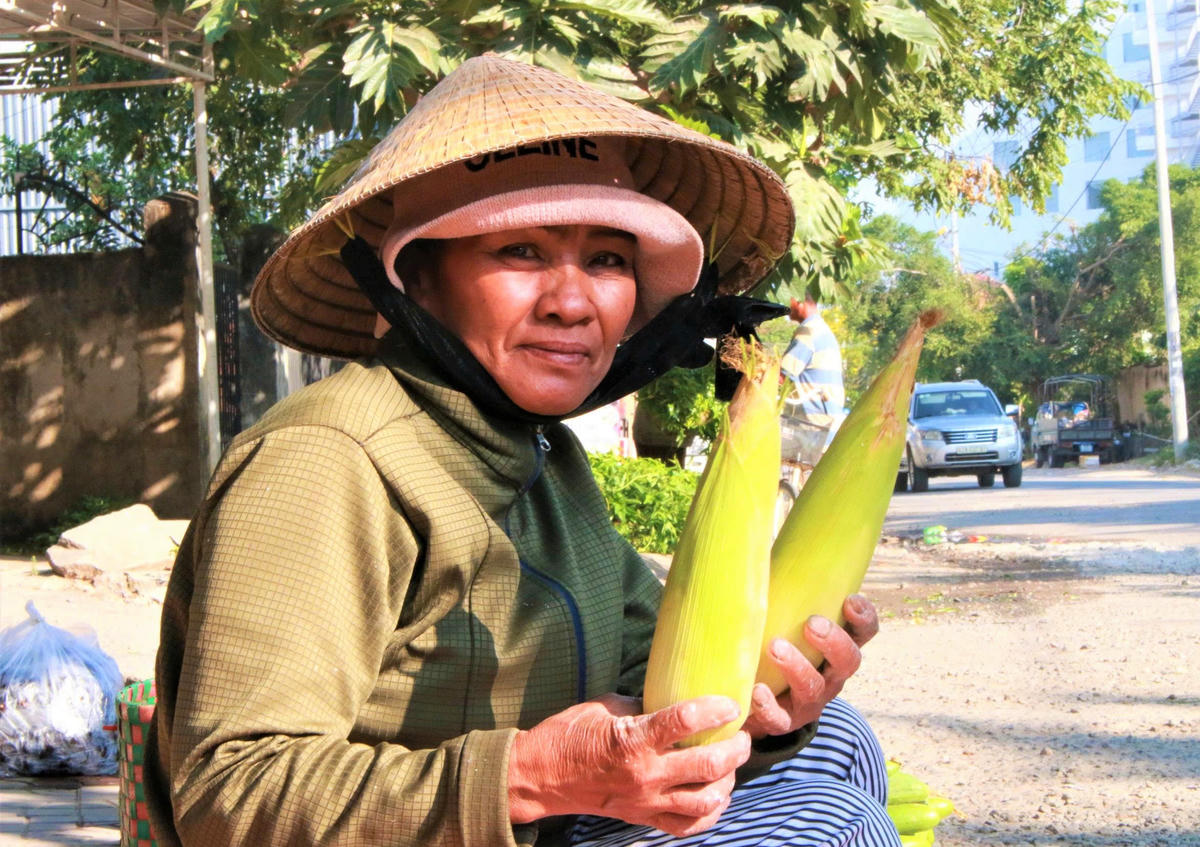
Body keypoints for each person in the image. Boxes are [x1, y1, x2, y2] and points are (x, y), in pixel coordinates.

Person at [145, 55, 899, 847]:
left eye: (607, 260)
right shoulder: (326, 460)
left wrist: (764, 704)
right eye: (522, 253)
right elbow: (228, 793)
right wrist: (529, 775)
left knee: (838, 738)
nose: (574, 302)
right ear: (418, 282)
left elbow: (652, 678)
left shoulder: (547, 462)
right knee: (832, 828)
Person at [780, 296, 846, 429]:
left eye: (789, 299)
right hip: (826, 417)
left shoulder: (808, 331)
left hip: (813, 420)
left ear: (800, 301)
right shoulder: (820, 328)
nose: (787, 306)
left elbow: (781, 377)